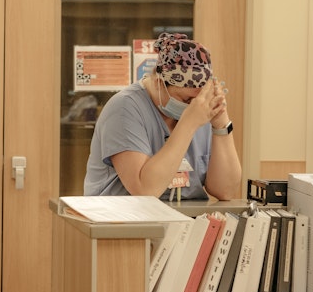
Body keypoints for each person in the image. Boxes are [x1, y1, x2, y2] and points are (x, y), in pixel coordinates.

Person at [84, 32, 242, 201]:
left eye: (199, 99)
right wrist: (189, 124)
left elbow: (225, 191)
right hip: (126, 222)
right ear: (159, 83)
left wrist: (221, 125)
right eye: (186, 99)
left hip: (185, 222)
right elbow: (145, 190)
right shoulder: (125, 108)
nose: (195, 106)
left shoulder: (203, 108)